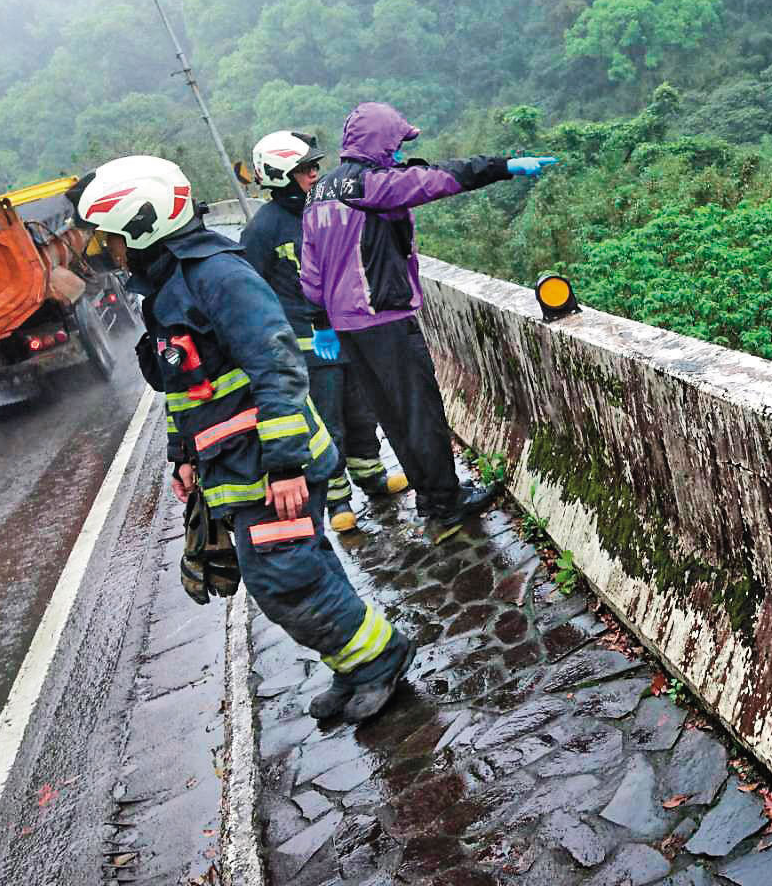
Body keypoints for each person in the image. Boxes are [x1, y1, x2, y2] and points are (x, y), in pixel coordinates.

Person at [71, 154, 412, 723]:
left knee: (282, 576)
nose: (106, 251)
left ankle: (379, 658)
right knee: (305, 564)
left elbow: (277, 365)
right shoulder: (168, 291)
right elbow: (186, 388)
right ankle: (355, 665)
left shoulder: (217, 275)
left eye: (109, 239)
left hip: (272, 462)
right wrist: (183, 454)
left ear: (141, 223)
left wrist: (283, 464)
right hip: (237, 466)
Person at [300, 102, 556, 541]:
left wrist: (322, 319)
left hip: (348, 329)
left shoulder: (318, 192)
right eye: (396, 145)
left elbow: (310, 272)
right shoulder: (373, 185)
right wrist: (505, 166)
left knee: (393, 417)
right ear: (380, 142)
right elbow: (442, 178)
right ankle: (446, 505)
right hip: (384, 319)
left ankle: (431, 496)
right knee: (421, 411)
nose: (399, 154)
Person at [240, 130, 407, 533]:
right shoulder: (262, 232)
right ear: (281, 177)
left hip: (348, 333)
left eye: (316, 167)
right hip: (307, 349)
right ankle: (338, 501)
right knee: (327, 424)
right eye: (305, 170)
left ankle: (372, 476)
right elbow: (253, 294)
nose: (315, 174)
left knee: (362, 411)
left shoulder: (327, 208)